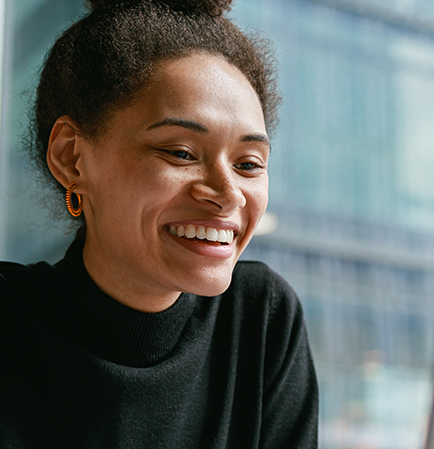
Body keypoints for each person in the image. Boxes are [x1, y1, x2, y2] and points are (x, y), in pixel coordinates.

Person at [0, 0, 319, 447]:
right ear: (72, 158)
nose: (228, 194)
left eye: (248, 163)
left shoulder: (260, 321)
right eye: (181, 153)